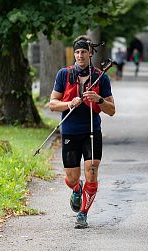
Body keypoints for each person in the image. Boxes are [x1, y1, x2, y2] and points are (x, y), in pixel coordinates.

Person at [49, 35, 116, 228]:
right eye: (77, 52)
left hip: (92, 132)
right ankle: (77, 189)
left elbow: (112, 110)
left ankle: (83, 214)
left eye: (84, 52)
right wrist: (69, 103)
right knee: (71, 178)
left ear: (90, 53)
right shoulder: (64, 74)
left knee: (92, 172)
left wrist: (99, 100)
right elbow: (52, 104)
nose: (80, 55)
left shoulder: (101, 77)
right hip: (70, 131)